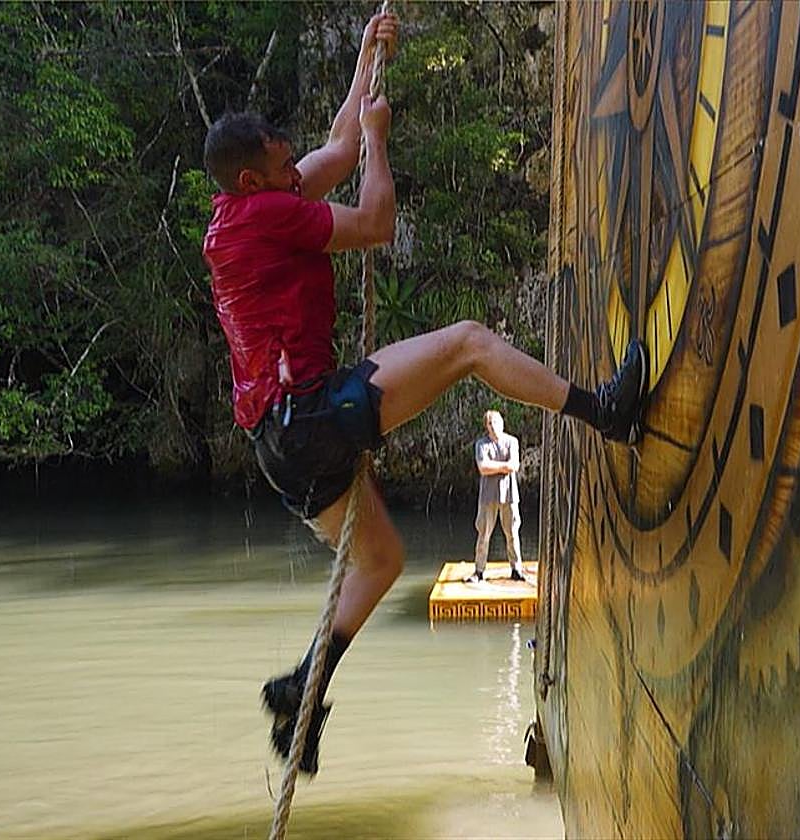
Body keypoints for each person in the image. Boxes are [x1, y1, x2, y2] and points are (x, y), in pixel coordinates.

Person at [202, 12, 648, 776]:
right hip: (310, 415)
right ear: (255, 180)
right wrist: (379, 140)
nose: (294, 169)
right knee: (472, 342)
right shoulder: (269, 216)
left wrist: (368, 61)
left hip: (279, 443)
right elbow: (374, 219)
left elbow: (336, 146)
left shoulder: (243, 209)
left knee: (380, 562)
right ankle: (604, 412)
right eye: (283, 164)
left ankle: (300, 692)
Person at [468, 410, 525, 583]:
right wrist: (503, 466)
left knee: (512, 532)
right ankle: (479, 571)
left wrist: (497, 467)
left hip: (509, 495)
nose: (494, 427)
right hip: (488, 496)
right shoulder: (481, 444)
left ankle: (516, 569)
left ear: (502, 423)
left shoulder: (512, 441)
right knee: (484, 533)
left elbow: (514, 465)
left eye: (497, 423)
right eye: (490, 424)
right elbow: (483, 468)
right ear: (486, 427)